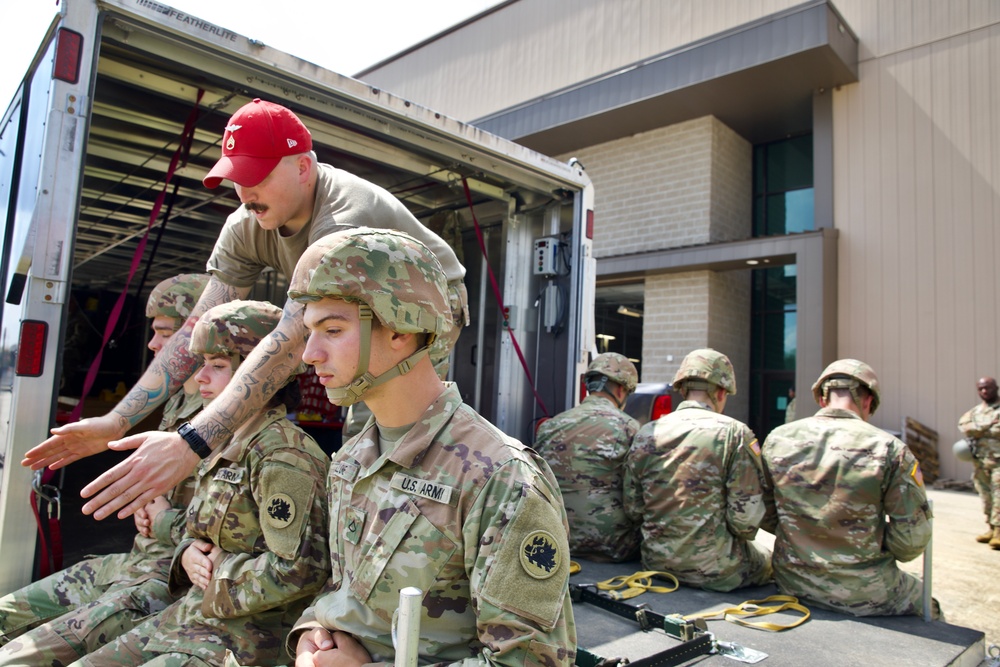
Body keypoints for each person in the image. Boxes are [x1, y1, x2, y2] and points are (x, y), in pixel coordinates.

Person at [23, 98, 467, 522]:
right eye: (237, 177)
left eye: (257, 176)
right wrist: (116, 420)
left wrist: (191, 442)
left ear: (304, 167)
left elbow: (290, 342)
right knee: (357, 445)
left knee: (376, 428)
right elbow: (196, 328)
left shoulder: (343, 217)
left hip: (424, 305)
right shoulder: (246, 225)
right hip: (350, 307)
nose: (245, 193)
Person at [285, 228, 575, 666]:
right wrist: (311, 631)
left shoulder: (500, 478)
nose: (309, 353)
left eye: (332, 329)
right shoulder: (350, 460)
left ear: (402, 329)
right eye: (310, 331)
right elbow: (345, 590)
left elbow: (532, 662)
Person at [74, 300, 331, 667]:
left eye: (218, 366)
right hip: (190, 618)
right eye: (201, 365)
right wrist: (186, 556)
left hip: (242, 638)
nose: (200, 378)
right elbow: (204, 535)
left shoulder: (282, 455)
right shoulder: (217, 445)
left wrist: (214, 575)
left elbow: (299, 570)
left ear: (258, 373)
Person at [0, 273, 209, 658]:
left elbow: (230, 537)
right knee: (5, 616)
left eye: (165, 332)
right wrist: (149, 504)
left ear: (192, 338)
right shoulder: (180, 403)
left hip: (166, 579)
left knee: (18, 658)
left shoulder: (222, 422)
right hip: (133, 562)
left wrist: (161, 516)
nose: (152, 343)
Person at [761, 359, 934, 617]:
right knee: (931, 608)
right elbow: (910, 541)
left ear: (822, 398)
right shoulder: (889, 448)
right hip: (867, 592)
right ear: (868, 402)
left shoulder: (778, 438)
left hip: (793, 582)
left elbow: (763, 512)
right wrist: (865, 540)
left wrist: (802, 533)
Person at [622, 349, 771, 592]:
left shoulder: (647, 432)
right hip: (719, 571)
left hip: (656, 564)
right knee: (769, 550)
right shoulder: (735, 433)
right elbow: (744, 522)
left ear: (682, 390)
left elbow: (633, 509)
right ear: (721, 392)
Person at [534, 352, 641, 562]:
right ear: (621, 389)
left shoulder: (550, 426)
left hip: (556, 538)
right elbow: (635, 498)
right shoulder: (629, 427)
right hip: (612, 545)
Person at [958, 376, 1000, 546]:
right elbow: (964, 427)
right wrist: (989, 425)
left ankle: (999, 531)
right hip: (980, 461)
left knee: (999, 495)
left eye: (988, 387)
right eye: (981, 388)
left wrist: (978, 429)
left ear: (996, 388)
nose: (984, 391)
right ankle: (991, 528)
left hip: (998, 461)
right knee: (985, 495)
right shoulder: (975, 412)